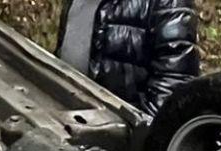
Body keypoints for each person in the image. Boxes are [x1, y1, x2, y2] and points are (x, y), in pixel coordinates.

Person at [56, 0, 200, 116]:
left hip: (118, 134)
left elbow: (174, 85)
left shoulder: (169, 3)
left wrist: (139, 136)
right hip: (63, 119)